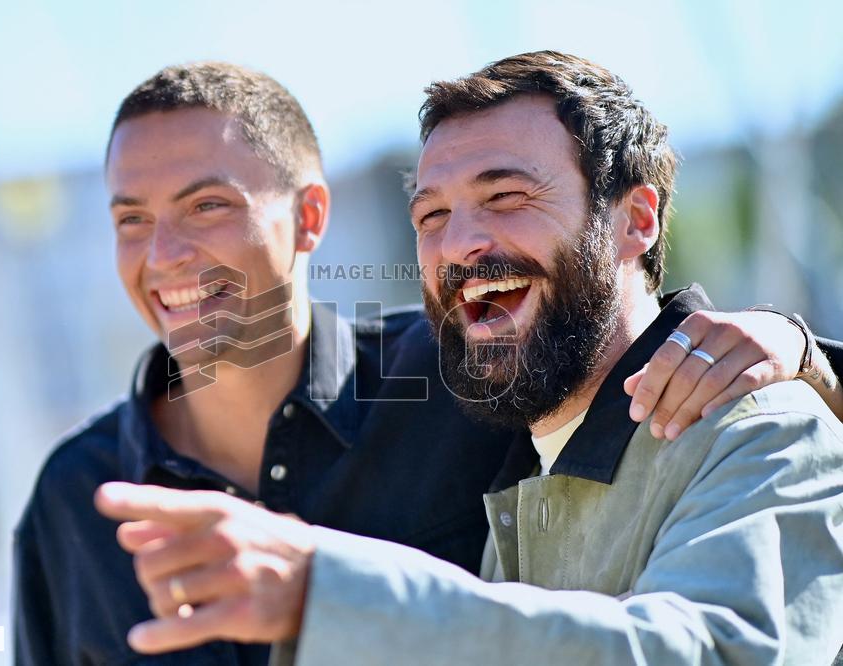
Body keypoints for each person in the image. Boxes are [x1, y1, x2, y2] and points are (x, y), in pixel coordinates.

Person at [95, 52, 843, 665]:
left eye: (507, 196)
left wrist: (327, 591)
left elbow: (711, 655)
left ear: (635, 219)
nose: (458, 245)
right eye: (432, 216)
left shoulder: (761, 428)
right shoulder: (507, 436)